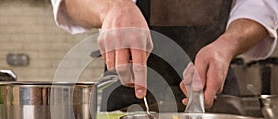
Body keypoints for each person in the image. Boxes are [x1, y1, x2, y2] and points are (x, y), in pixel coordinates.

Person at [51, 0, 278, 112]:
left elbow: (261, 4)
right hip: (126, 102)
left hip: (214, 91)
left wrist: (226, 45)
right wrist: (112, 8)